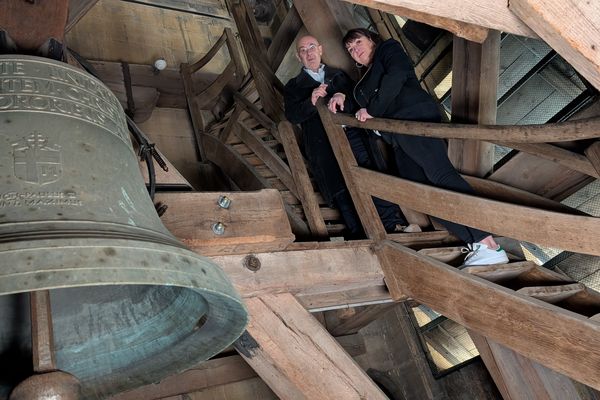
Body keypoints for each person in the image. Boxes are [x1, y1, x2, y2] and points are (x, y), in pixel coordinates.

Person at [336, 28, 508, 266]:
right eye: (351, 49)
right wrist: (341, 96)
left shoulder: (388, 49)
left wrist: (372, 110)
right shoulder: (363, 83)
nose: (355, 50)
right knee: (421, 194)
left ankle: (488, 242)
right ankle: (476, 243)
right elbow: (359, 102)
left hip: (414, 121)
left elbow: (395, 77)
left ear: (372, 39)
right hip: (397, 136)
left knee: (442, 175)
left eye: (358, 43)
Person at [284, 34, 410, 238]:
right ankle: (360, 235)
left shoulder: (338, 75)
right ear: (299, 57)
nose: (309, 52)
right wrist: (311, 100)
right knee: (341, 190)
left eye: (312, 47)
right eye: (303, 50)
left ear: (320, 50)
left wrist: (343, 96)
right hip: (324, 146)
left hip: (354, 137)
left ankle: (393, 226)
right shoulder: (293, 86)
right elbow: (292, 115)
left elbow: (359, 98)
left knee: (371, 176)